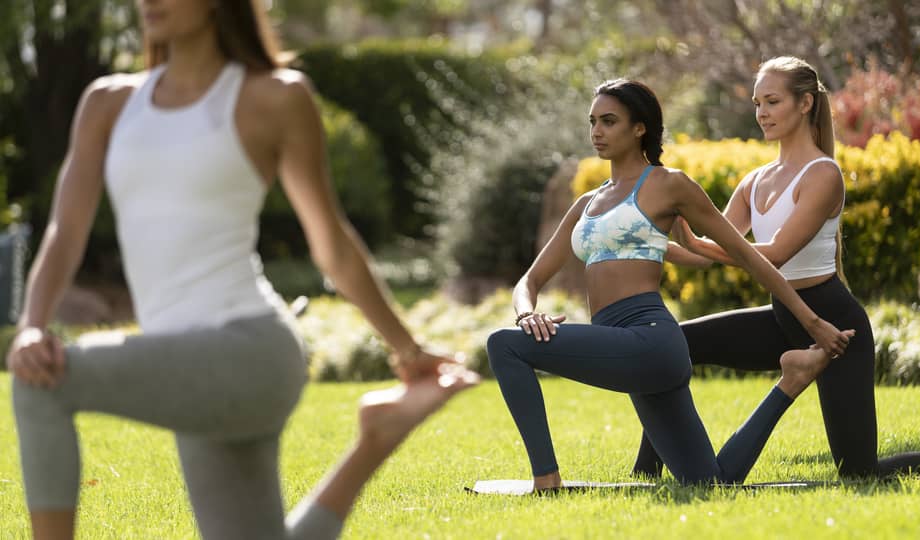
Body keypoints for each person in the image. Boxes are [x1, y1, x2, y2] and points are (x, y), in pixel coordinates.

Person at [5, 1, 478, 538]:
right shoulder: (109, 103)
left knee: (43, 384)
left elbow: (332, 245)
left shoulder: (273, 97)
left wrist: (408, 351)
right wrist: (33, 326)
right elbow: (65, 234)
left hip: (249, 351)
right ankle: (375, 441)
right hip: (189, 366)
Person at [485, 77, 855, 491]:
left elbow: (750, 257)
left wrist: (812, 322)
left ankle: (547, 480)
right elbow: (530, 280)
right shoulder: (586, 203)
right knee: (707, 484)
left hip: (650, 341)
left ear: (639, 127)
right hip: (620, 342)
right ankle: (791, 382)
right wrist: (526, 313)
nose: (596, 132)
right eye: (593, 122)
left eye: (609, 121)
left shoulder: (668, 185)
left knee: (504, 346)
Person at [632, 56, 920, 480]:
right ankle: (646, 471)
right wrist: (647, 249)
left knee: (859, 471)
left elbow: (775, 253)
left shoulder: (823, 174)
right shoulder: (755, 180)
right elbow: (705, 255)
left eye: (772, 101)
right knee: (673, 346)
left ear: (805, 104)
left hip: (835, 326)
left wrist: (696, 241)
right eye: (757, 103)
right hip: (785, 317)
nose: (761, 113)